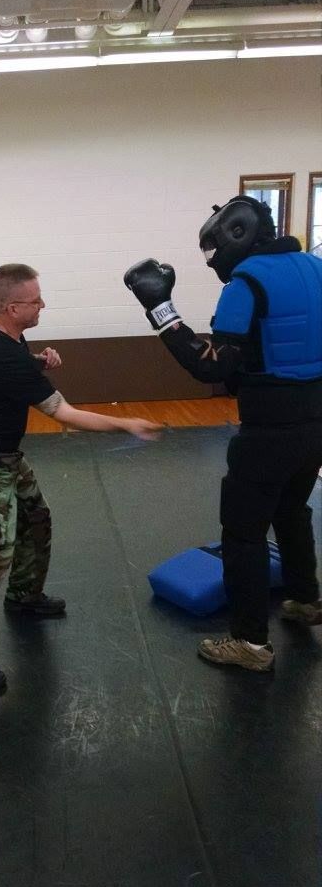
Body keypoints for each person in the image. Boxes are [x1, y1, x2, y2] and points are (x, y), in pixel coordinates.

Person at [0, 263, 161, 691]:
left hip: (3, 455)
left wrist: (36, 360)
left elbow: (12, 362)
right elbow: (66, 415)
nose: (43, 305)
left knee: (36, 519)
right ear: (12, 306)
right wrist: (126, 423)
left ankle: (24, 597)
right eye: (36, 301)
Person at [124, 196, 322, 673]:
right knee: (292, 509)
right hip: (317, 421)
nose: (214, 261)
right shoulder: (316, 268)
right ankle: (304, 600)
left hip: (269, 428)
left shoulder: (246, 283)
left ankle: (250, 644)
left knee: (243, 533)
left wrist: (161, 309)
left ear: (236, 235)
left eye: (213, 250)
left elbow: (208, 366)